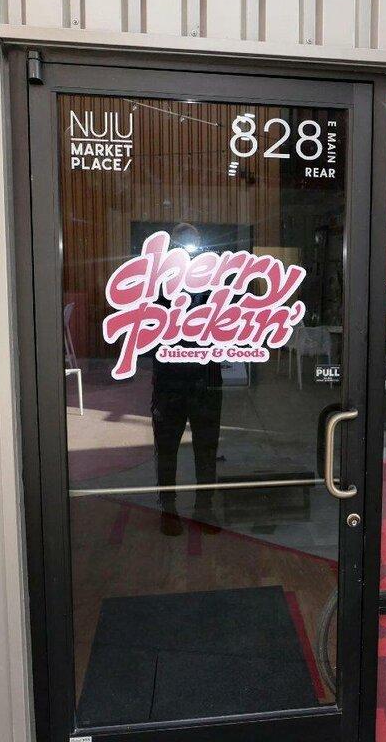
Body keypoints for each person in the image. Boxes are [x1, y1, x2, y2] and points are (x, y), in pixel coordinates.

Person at [151, 222, 223, 536]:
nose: (186, 252)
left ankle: (204, 508)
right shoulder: (157, 282)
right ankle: (168, 509)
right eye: (180, 246)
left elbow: (229, 320)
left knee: (207, 447)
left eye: (191, 246)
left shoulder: (215, 280)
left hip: (206, 379)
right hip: (170, 380)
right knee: (167, 448)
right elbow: (147, 330)